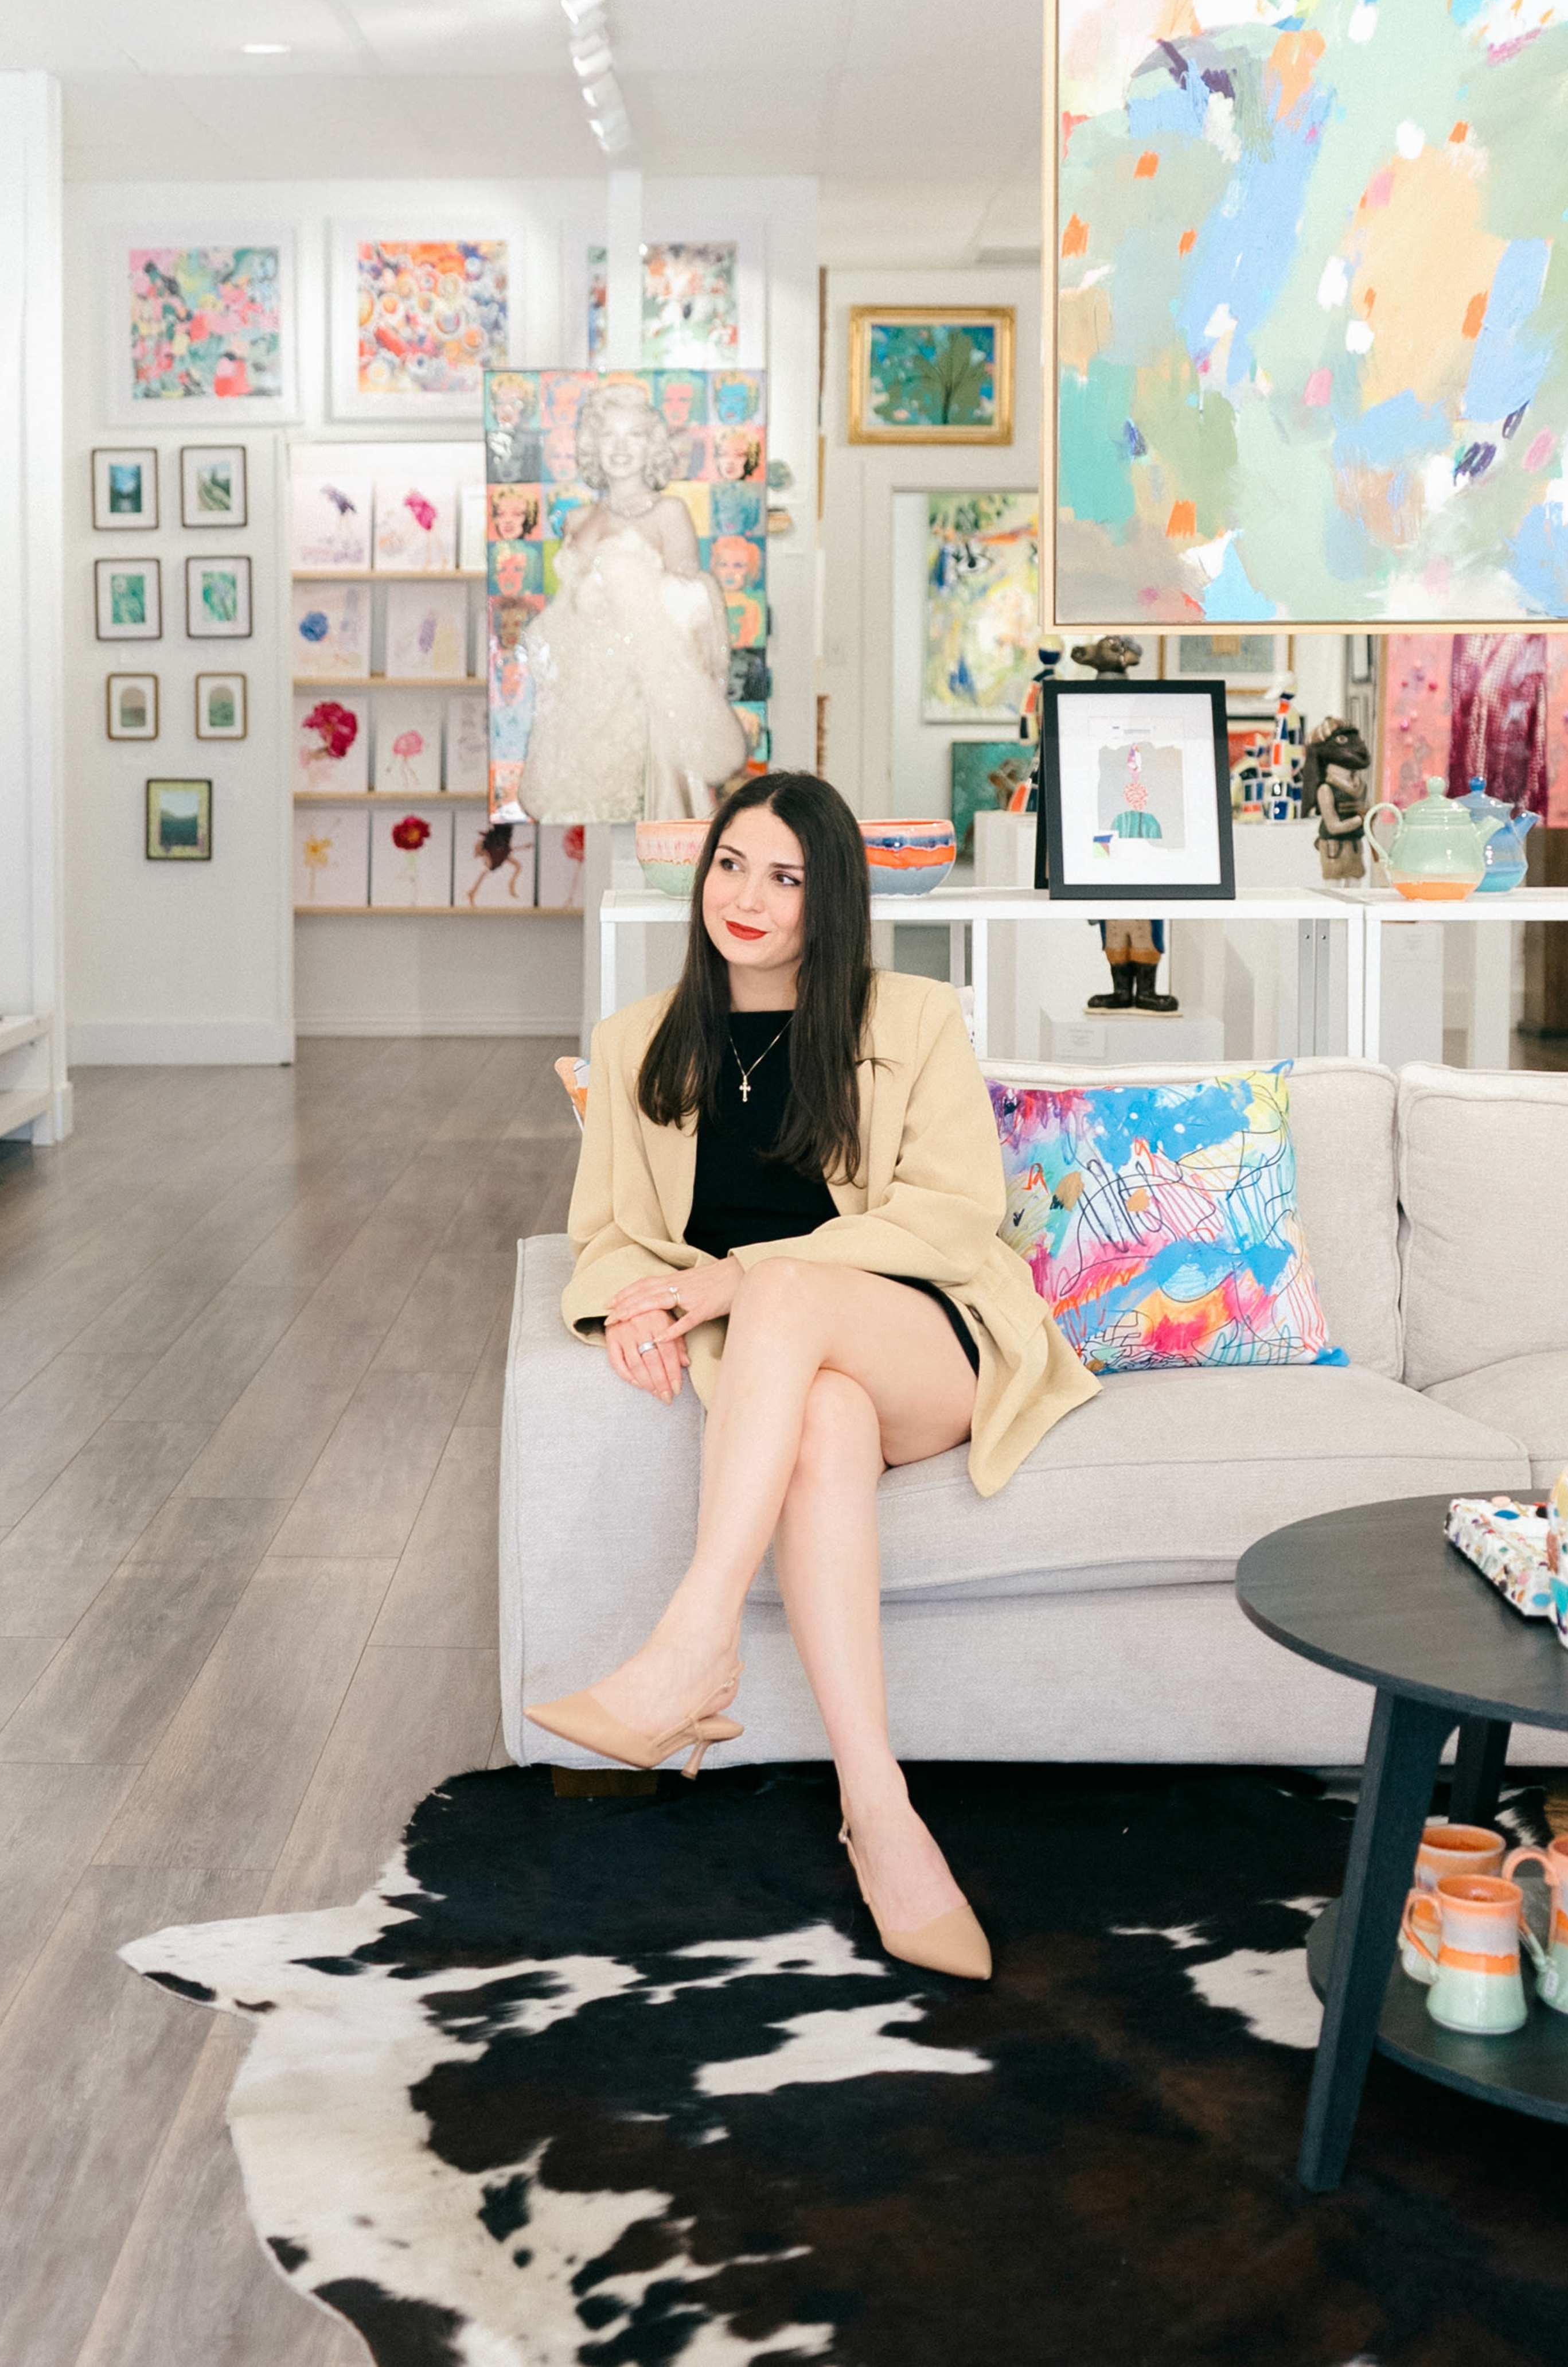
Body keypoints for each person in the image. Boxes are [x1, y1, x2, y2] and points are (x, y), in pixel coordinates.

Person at [527, 772, 1097, 1978]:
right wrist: (633, 1297)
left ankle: (692, 1641)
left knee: (778, 1284)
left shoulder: (914, 1017)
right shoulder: (640, 1040)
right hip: (810, 1370)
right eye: (733, 862)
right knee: (822, 1418)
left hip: (929, 1340)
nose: (749, 895)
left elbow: (953, 1217)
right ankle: (880, 1811)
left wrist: (737, 1280)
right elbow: (608, 1230)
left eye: (786, 875)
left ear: (827, 896)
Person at [517, 374, 745, 822]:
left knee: (648, 831)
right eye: (609, 435)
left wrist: (626, 585)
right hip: (583, 694)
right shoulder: (580, 518)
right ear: (593, 445)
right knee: (596, 830)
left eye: (634, 436)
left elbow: (691, 608)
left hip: (644, 700)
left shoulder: (668, 514)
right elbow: (567, 612)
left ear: (652, 447)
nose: (621, 448)